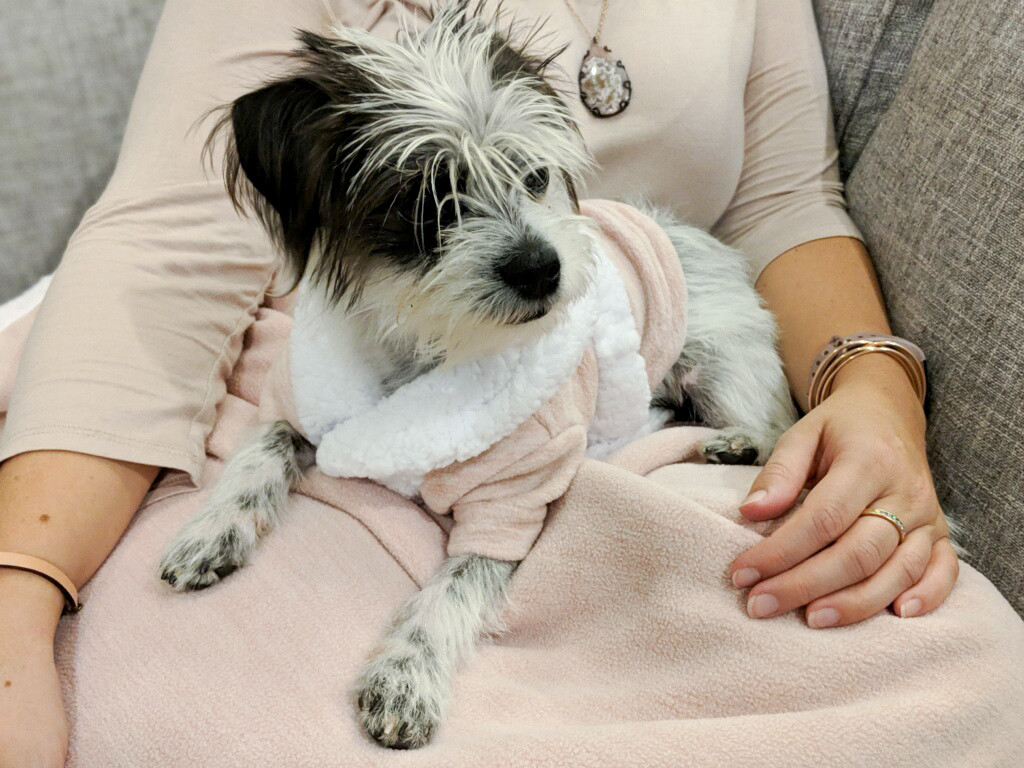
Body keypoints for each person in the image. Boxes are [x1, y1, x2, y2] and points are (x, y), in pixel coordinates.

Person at [0, 0, 964, 764]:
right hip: (309, 373)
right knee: (187, 712)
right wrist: (21, 587)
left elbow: (786, 193)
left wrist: (872, 384)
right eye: (433, 211)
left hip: (620, 404)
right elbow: (162, 244)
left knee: (954, 687)